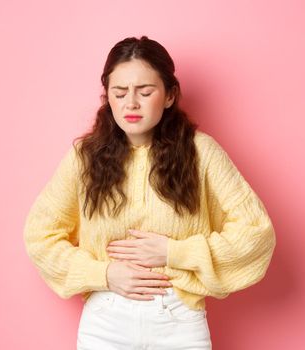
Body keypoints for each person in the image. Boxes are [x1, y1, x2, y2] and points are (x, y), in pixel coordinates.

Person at [23, 35, 276, 350]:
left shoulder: (202, 152)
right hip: (106, 320)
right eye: (120, 92)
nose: (131, 103)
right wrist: (104, 273)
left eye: (145, 91)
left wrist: (175, 252)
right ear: (108, 98)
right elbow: (39, 234)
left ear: (169, 96)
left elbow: (256, 233)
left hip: (179, 318)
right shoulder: (84, 157)